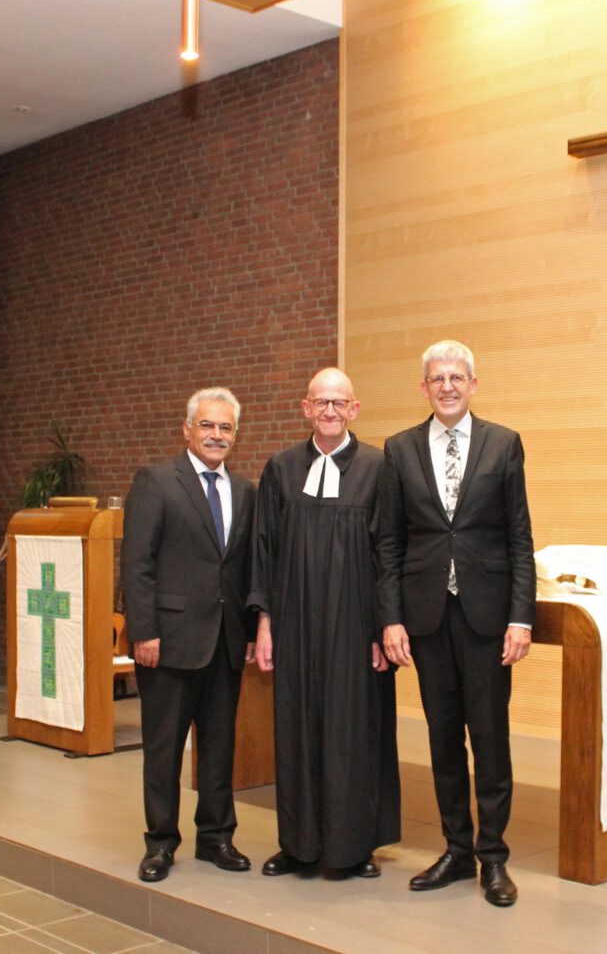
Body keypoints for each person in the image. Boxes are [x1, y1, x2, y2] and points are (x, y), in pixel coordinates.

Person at [377, 340, 535, 907]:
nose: (447, 386)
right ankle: (455, 849)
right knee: (443, 740)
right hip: (427, 617)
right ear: (424, 388)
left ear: (473, 384)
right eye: (436, 378)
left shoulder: (503, 444)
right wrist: (391, 619)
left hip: (488, 618)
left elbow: (519, 537)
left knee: (490, 740)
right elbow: (390, 543)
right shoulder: (398, 449)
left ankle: (494, 859)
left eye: (457, 377)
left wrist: (522, 617)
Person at [249, 367, 400, 878]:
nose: (330, 411)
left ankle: (355, 848)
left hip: (356, 630)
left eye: (340, 403)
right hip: (294, 626)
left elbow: (389, 553)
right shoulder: (282, 469)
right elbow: (263, 551)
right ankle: (298, 844)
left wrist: (384, 628)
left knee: (353, 733)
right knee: (296, 728)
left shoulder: (380, 468)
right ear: (306, 408)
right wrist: (265, 623)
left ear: (354, 409)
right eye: (321, 403)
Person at [121, 387, 256, 883]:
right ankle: (160, 843)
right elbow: (136, 564)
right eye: (207, 425)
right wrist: (144, 631)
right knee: (164, 748)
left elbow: (241, 568)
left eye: (225, 428)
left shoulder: (245, 491)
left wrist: (247, 627)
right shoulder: (157, 482)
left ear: (235, 436)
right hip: (168, 641)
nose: (216, 435)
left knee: (220, 747)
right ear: (187, 430)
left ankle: (216, 837)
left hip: (224, 642)